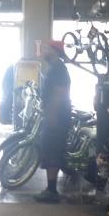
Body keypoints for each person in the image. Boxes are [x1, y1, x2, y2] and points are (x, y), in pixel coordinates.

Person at [34, 39, 71, 203]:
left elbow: (58, 93)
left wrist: (52, 115)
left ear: (55, 52)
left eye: (47, 49)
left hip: (57, 116)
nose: (44, 51)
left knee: (53, 152)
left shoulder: (58, 69)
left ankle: (51, 191)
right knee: (50, 150)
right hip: (54, 114)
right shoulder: (55, 68)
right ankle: (50, 189)